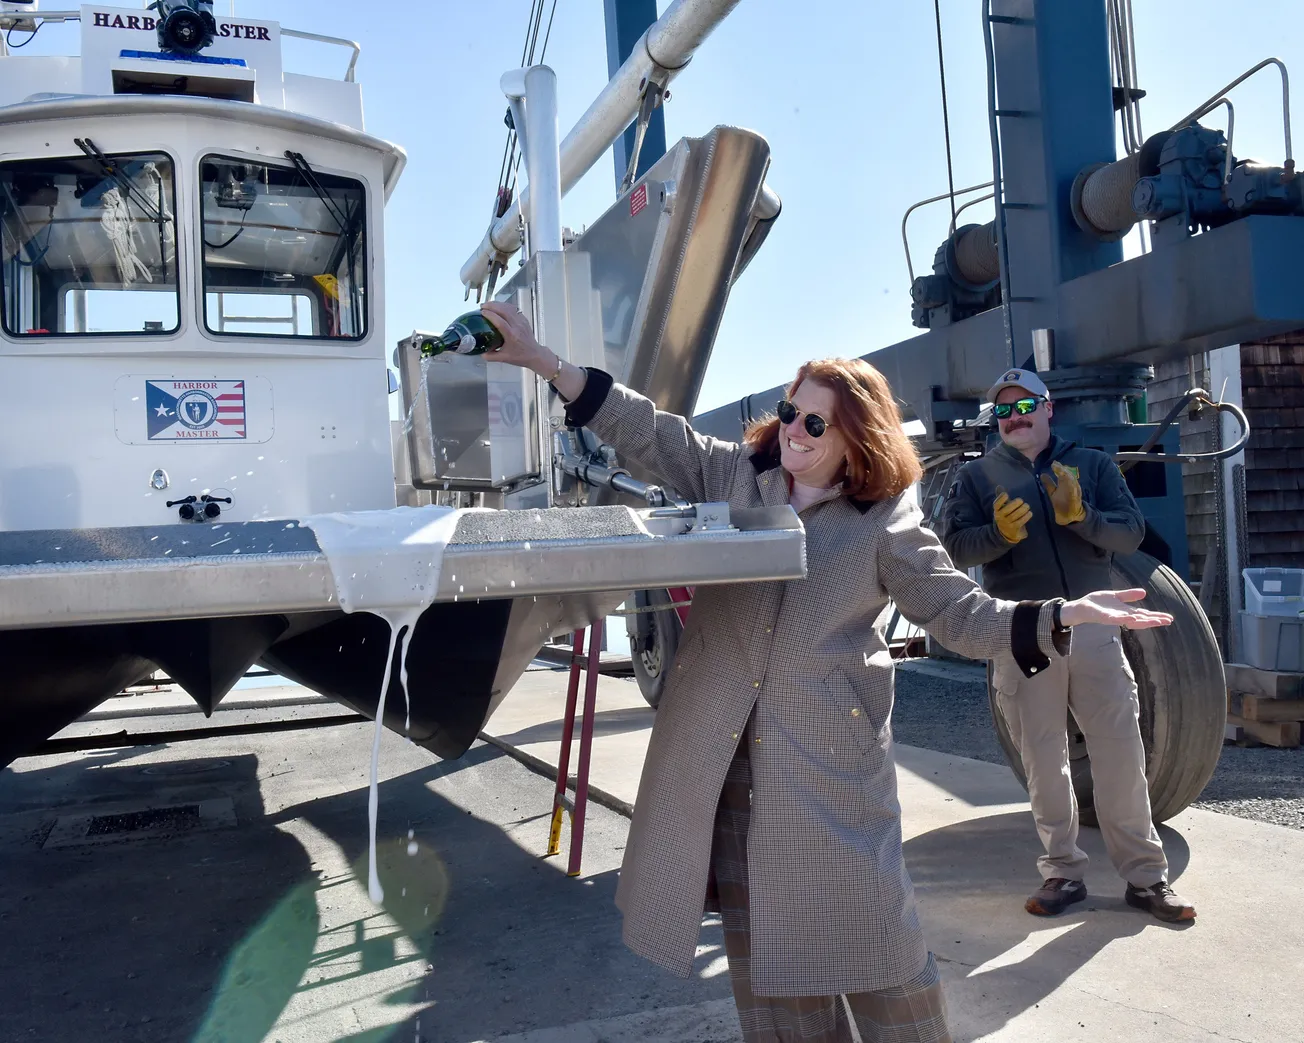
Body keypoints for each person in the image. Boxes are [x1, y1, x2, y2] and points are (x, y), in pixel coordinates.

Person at [481, 301, 1173, 1043]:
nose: (793, 430)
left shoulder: (886, 523)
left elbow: (958, 612)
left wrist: (1063, 614)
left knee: (885, 963)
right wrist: (544, 362)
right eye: (789, 411)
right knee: (773, 987)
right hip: (730, 772)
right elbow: (646, 429)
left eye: (816, 422)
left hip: (832, 778)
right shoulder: (733, 476)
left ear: (856, 437)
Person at [941, 367, 1196, 924]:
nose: (1014, 417)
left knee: (1120, 751)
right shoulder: (976, 479)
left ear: (1048, 407)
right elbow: (954, 552)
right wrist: (998, 537)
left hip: (1095, 628)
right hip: (1023, 629)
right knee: (1044, 757)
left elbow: (1129, 534)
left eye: (1024, 405)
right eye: (1002, 411)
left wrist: (1081, 517)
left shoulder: (1094, 466)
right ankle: (1062, 871)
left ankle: (1147, 878)